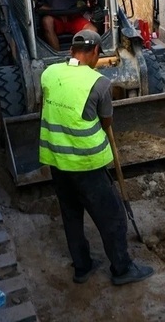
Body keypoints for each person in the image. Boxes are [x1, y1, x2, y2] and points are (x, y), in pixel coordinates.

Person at [39, 29, 154, 286]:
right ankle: (122, 269)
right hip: (86, 163)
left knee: (71, 216)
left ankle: (82, 266)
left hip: (57, 160)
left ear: (70, 51)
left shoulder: (49, 74)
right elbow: (106, 121)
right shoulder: (99, 83)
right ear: (94, 53)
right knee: (112, 216)